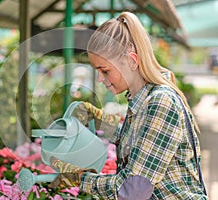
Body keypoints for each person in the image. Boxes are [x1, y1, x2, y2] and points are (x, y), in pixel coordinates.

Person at [48, 11, 208, 199]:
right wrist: (99, 121)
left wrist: (80, 178)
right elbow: (141, 142)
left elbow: (132, 190)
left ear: (132, 60)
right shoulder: (142, 101)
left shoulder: (160, 102)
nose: (100, 79)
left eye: (105, 71)